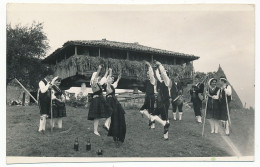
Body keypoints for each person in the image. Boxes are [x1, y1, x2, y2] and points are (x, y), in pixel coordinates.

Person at [88, 65, 112, 136]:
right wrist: (99, 69)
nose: (98, 78)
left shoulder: (99, 84)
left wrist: (107, 71)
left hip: (101, 100)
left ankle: (106, 124)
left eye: (98, 77)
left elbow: (104, 77)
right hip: (96, 100)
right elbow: (95, 77)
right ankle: (95, 130)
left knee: (110, 111)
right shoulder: (93, 83)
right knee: (97, 116)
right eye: (97, 77)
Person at [150, 61, 171, 140]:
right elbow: (158, 75)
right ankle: (166, 124)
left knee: (164, 119)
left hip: (165, 103)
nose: (162, 75)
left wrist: (160, 65)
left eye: (164, 74)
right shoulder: (162, 82)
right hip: (160, 103)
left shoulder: (167, 81)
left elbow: (163, 74)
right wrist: (155, 69)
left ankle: (166, 137)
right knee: (153, 115)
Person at [105, 69, 126, 145]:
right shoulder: (107, 87)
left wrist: (118, 78)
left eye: (112, 79)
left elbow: (116, 83)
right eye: (111, 78)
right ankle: (115, 136)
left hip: (116, 104)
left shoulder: (112, 86)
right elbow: (108, 80)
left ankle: (119, 136)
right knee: (115, 120)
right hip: (111, 104)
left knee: (121, 119)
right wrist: (110, 72)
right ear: (108, 80)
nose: (112, 79)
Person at [139, 61, 156, 129]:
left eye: (148, 74)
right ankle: (151, 122)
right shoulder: (148, 81)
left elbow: (151, 74)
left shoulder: (152, 80)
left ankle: (152, 125)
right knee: (143, 110)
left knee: (151, 110)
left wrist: (149, 66)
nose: (147, 75)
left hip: (151, 97)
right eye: (147, 74)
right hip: (147, 97)